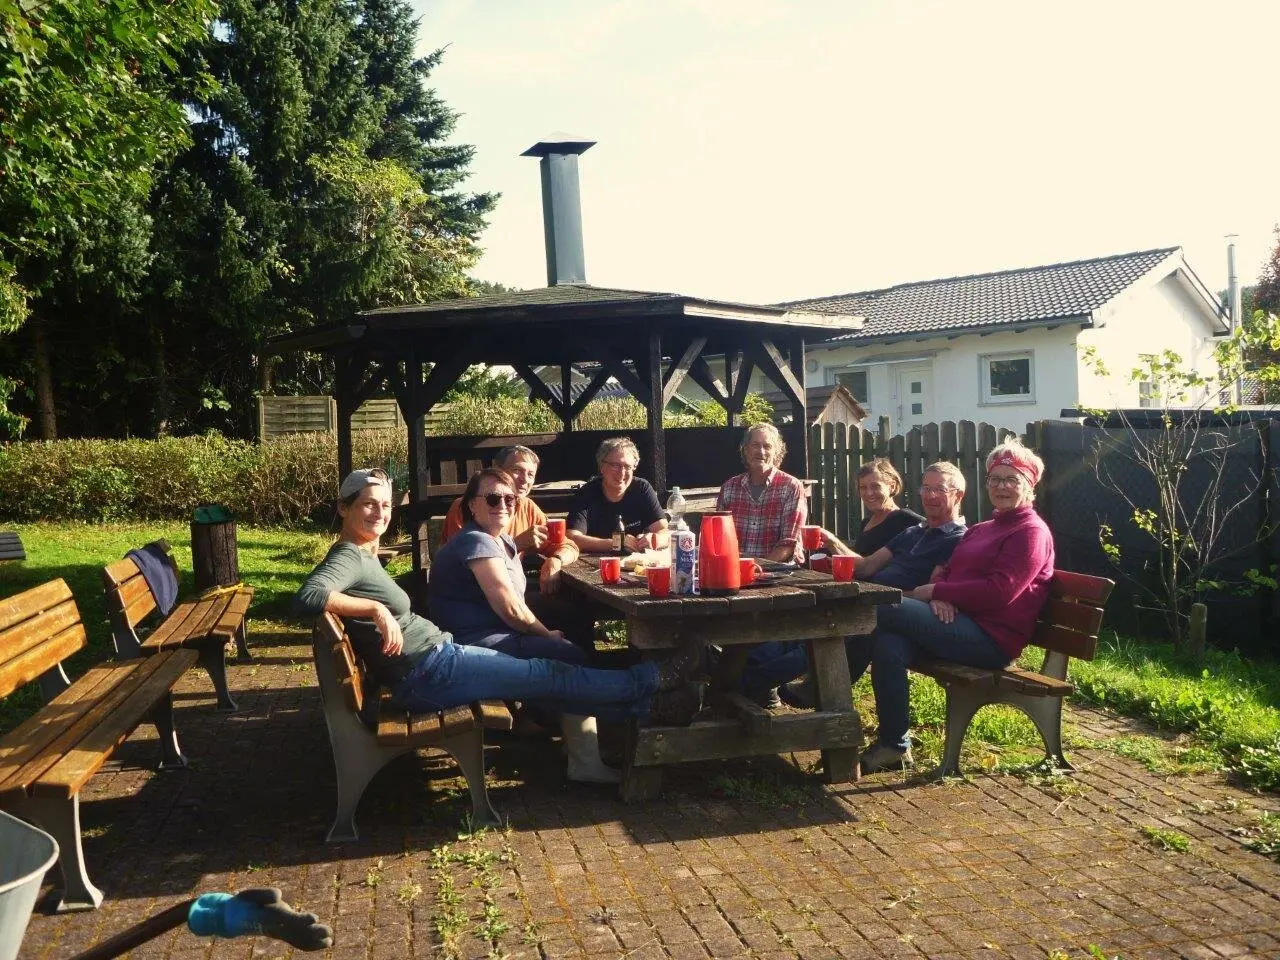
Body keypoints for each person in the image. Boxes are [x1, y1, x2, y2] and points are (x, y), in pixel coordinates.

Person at [293, 469, 704, 783]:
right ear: (344, 508)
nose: (380, 513)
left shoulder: (363, 553)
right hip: (427, 672)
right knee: (548, 671)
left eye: (385, 505)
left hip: (439, 657)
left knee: (551, 671)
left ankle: (649, 705)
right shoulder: (348, 555)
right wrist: (375, 610)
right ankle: (652, 680)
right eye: (368, 504)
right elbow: (309, 595)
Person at [857, 440, 1055, 773]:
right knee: (889, 645)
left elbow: (1000, 592)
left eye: (1011, 480)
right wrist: (943, 595)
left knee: (881, 606)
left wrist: (937, 590)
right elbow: (951, 569)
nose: (1001, 487)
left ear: (1029, 486)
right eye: (995, 479)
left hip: (990, 640)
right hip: (956, 623)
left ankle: (828, 686)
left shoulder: (1030, 532)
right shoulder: (982, 529)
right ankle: (894, 746)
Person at [774, 461, 969, 708]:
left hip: (898, 611)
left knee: (852, 620)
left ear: (958, 495)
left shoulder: (956, 537)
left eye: (939, 489)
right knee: (809, 616)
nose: (929, 496)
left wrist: (882, 595)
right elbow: (867, 566)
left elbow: (929, 591)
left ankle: (787, 683)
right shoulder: (912, 532)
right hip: (871, 598)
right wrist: (831, 546)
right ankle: (759, 674)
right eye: (925, 488)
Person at [440, 445, 579, 595]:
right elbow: (464, 564)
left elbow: (570, 547)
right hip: (470, 595)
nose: (524, 480)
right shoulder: (468, 507)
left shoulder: (527, 506)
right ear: (497, 471)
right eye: (517, 470)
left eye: (530, 474)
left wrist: (555, 560)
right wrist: (516, 544)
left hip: (512, 589)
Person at [715, 423, 806, 564]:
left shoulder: (791, 487)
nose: (761, 452)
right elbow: (719, 538)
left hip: (779, 572)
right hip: (736, 569)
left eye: (767, 446)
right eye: (755, 445)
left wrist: (756, 569)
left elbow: (789, 544)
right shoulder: (729, 488)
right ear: (745, 450)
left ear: (776, 452)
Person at [567, 437, 668, 553]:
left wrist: (654, 539)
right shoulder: (586, 493)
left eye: (627, 466)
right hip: (594, 562)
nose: (622, 473)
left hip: (635, 561)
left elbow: (663, 530)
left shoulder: (642, 488)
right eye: (615, 465)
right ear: (601, 466)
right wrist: (616, 544)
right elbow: (572, 537)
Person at [848, 459, 924, 557]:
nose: (869, 493)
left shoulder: (905, 519)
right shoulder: (866, 523)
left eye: (875, 486)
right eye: (863, 487)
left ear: (892, 486)